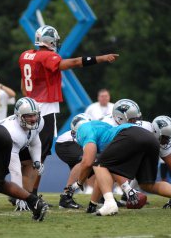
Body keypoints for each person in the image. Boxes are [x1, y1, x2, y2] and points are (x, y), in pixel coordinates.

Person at [19, 25, 119, 196]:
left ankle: (22, 193)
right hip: (45, 111)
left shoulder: (26, 56)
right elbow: (73, 62)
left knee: (26, 157)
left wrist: (30, 99)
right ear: (50, 41)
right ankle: (31, 195)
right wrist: (100, 58)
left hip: (27, 108)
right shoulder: (48, 56)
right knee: (39, 157)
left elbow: (23, 83)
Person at [69, 113, 171, 216]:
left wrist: (80, 182)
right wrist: (92, 204)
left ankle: (109, 204)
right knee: (147, 184)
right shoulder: (102, 128)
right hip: (149, 139)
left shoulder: (84, 130)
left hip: (130, 135)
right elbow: (106, 175)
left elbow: (87, 163)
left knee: (99, 165)